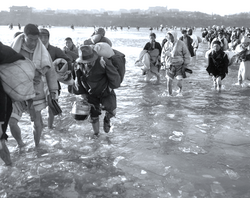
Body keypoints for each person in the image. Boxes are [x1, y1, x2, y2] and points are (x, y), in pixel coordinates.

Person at [9, 23, 58, 147]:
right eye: (30, 39)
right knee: (12, 122)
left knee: (37, 123)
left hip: (36, 90)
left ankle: (37, 145)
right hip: (16, 89)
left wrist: (53, 91)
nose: (33, 43)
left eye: (36, 40)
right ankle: (20, 143)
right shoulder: (14, 49)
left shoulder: (42, 51)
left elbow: (51, 72)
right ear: (24, 36)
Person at [73, 45, 121, 136]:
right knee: (94, 115)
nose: (88, 63)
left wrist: (111, 87)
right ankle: (96, 135)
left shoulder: (103, 61)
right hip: (90, 93)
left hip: (105, 91)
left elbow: (115, 77)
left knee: (112, 111)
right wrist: (83, 95)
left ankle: (107, 118)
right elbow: (78, 80)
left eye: (90, 61)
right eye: (86, 61)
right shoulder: (79, 65)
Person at [39, 28, 73, 129]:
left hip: (52, 83)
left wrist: (64, 72)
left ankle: (50, 127)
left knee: (52, 106)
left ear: (48, 38)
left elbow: (68, 61)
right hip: (38, 83)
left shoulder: (55, 50)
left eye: (45, 37)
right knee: (37, 108)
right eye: (41, 37)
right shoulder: (33, 50)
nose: (43, 39)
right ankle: (40, 124)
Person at [0, 42, 27, 165]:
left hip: (2, 104)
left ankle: (9, 166)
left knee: (0, 139)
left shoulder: (3, 51)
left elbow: (22, 62)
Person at [161, 30, 191, 96]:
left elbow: (186, 54)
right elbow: (163, 54)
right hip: (170, 65)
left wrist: (185, 64)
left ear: (174, 36)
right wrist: (163, 62)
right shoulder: (166, 44)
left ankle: (180, 90)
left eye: (171, 37)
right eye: (169, 37)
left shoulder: (181, 43)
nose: (170, 38)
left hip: (179, 65)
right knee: (169, 80)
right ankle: (170, 95)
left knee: (179, 81)